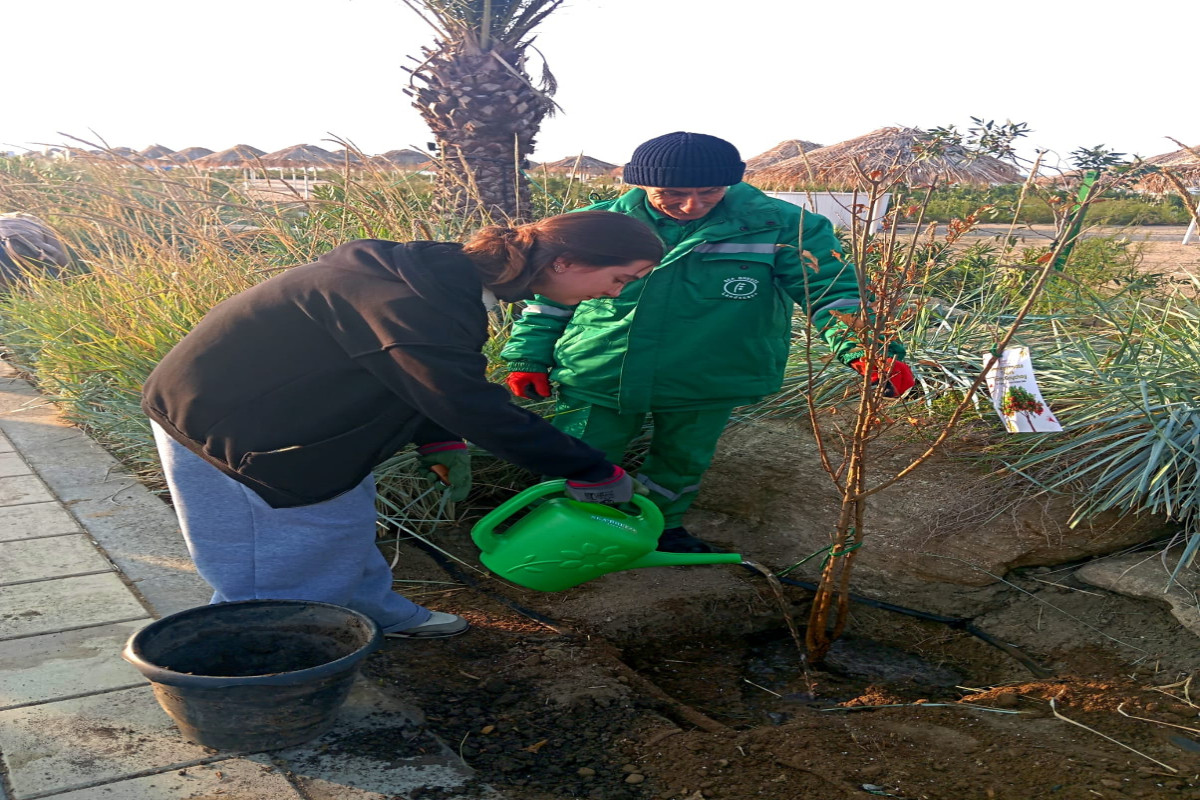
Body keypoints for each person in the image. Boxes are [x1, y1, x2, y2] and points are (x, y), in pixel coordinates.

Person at [142, 211, 663, 639]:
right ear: (567, 261)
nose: (615, 294)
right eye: (620, 279)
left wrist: (436, 436)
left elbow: (406, 372)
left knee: (342, 517)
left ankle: (366, 608)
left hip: (299, 415)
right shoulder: (411, 301)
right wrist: (590, 470)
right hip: (237, 429)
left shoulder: (437, 279)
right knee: (279, 558)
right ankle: (271, 654)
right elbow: (466, 400)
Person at [501, 132, 914, 554]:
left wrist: (870, 350)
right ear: (639, 185)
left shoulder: (783, 225)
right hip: (600, 368)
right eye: (672, 193)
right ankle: (568, 530)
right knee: (580, 452)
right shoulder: (597, 225)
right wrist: (528, 354)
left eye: (710, 192)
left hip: (710, 373)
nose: (691, 205)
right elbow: (548, 295)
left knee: (682, 460)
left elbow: (832, 292)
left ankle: (661, 529)